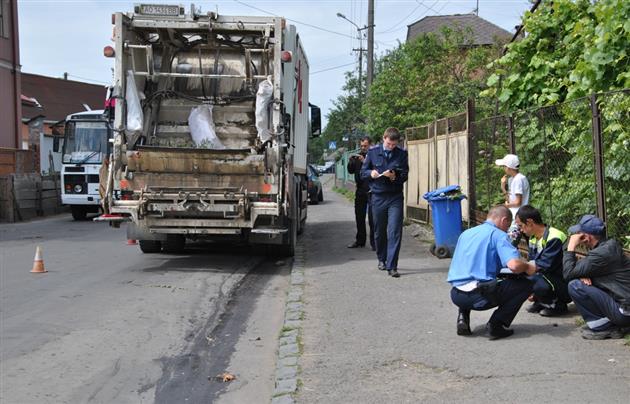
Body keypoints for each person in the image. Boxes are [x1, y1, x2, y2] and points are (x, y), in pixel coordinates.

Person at [447, 205, 534, 340]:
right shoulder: (498, 235)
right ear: (504, 220)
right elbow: (514, 266)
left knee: (470, 274)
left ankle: (462, 318)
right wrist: (528, 266)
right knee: (525, 285)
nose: (507, 230)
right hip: (479, 297)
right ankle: (496, 325)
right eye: (508, 226)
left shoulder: (466, 234)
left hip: (456, 294)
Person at [563, 215, 630, 340]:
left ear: (586, 237)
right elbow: (579, 270)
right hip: (625, 307)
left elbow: (568, 273)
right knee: (579, 280)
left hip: (625, 313)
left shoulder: (602, 253)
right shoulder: (608, 246)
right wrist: (584, 274)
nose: (576, 235)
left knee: (575, 286)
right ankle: (611, 324)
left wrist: (571, 246)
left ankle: (604, 328)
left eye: (579, 232)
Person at [360, 127, 409, 278]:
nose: (391, 147)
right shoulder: (373, 152)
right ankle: (382, 259)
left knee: (395, 231)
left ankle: (392, 266)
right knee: (379, 230)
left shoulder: (401, 154)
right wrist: (371, 173)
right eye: (389, 144)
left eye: (394, 145)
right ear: (384, 138)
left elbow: (405, 174)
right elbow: (363, 173)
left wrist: (395, 177)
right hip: (378, 196)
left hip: (395, 197)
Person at [515, 205, 570, 316]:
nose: (520, 230)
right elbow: (532, 261)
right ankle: (543, 301)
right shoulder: (533, 237)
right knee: (521, 277)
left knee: (533, 280)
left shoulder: (554, 237)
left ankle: (557, 305)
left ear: (530, 222)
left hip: (562, 281)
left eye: (521, 226)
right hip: (547, 276)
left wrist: (529, 287)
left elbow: (544, 265)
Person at [347, 136, 375, 250]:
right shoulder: (357, 156)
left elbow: (377, 169)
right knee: (359, 217)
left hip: (372, 190)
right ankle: (360, 241)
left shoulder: (374, 156)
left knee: (373, 218)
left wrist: (365, 162)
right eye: (362, 146)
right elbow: (350, 170)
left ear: (370, 145)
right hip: (360, 190)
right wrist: (350, 161)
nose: (363, 148)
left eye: (365, 146)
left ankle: (374, 243)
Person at [495, 154, 530, 243]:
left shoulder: (519, 179)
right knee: (529, 242)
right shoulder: (512, 179)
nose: (503, 168)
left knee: (510, 244)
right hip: (516, 216)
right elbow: (510, 200)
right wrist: (503, 188)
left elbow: (518, 202)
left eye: (504, 166)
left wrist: (506, 205)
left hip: (519, 217)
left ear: (509, 168)